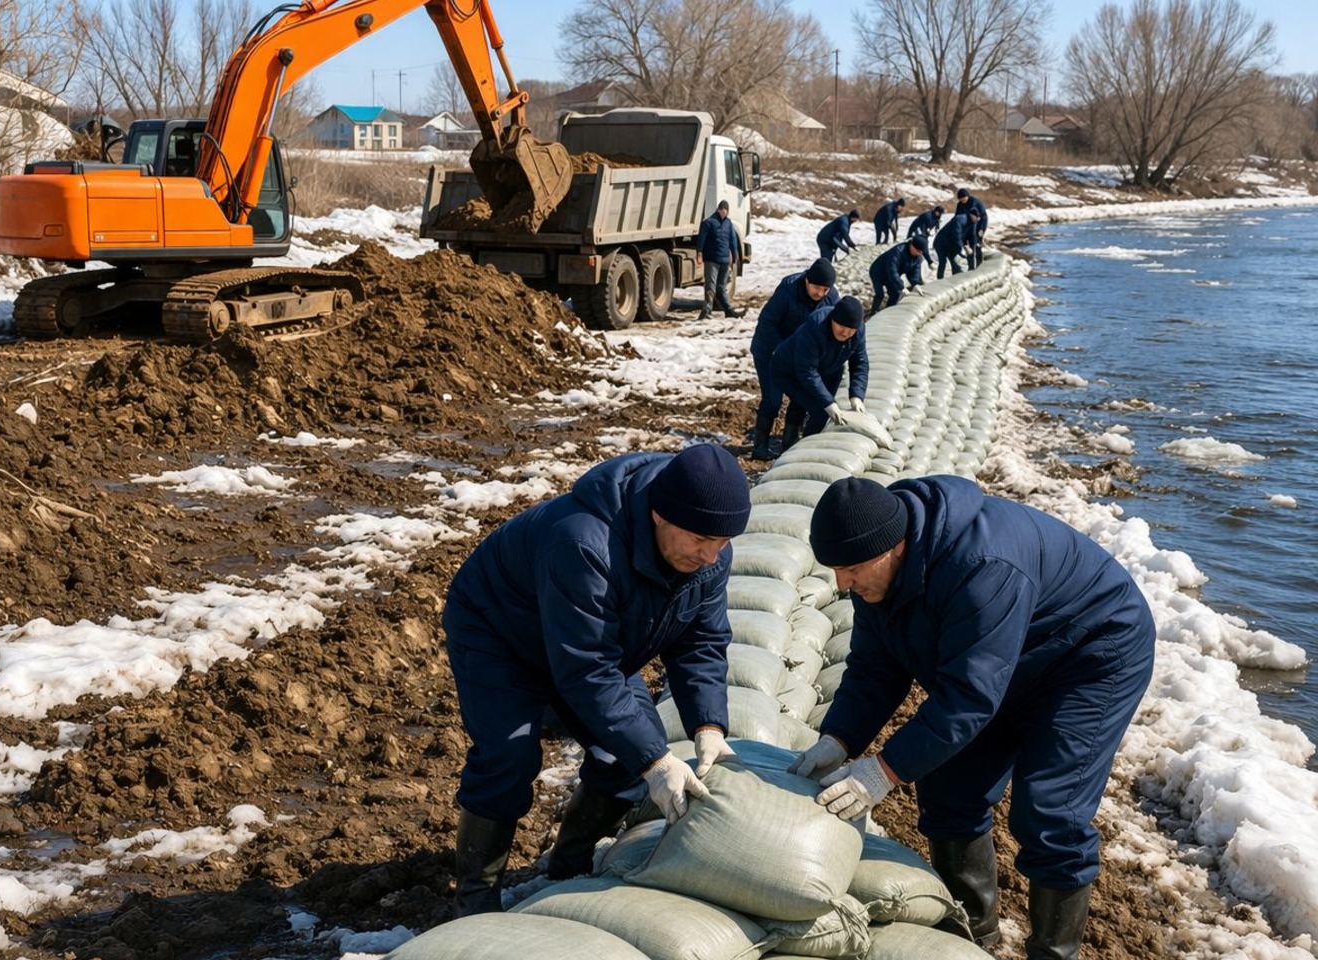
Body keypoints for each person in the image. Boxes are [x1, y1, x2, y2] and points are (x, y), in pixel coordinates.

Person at [790, 475, 1156, 960]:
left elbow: (967, 700)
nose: (842, 584)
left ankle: (1053, 953)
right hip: (1001, 660)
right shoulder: (878, 569)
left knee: (1050, 811)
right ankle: (973, 938)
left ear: (895, 547)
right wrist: (838, 739)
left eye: (853, 568)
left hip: (1089, 657)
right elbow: (875, 667)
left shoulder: (981, 565)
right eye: (835, 569)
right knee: (948, 790)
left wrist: (881, 773)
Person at [443, 444, 751, 917]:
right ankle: (475, 900)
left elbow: (700, 642)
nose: (711, 556)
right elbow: (586, 671)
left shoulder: (708, 555)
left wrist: (708, 725)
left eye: (723, 542)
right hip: (500, 633)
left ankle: (568, 868)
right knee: (508, 755)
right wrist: (657, 762)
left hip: (596, 646)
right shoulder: (584, 543)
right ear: (660, 515)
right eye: (700, 539)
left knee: (623, 758)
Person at [748, 258, 840, 460]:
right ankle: (760, 446)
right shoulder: (789, 289)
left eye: (825, 289)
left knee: (801, 397)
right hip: (770, 350)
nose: (820, 294)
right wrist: (782, 351)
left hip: (801, 354)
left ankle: (788, 444)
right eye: (816, 288)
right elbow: (767, 322)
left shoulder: (831, 297)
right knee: (773, 399)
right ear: (807, 280)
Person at [767, 295, 869, 445]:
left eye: (851, 330)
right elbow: (807, 371)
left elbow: (860, 363)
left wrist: (856, 395)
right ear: (833, 319)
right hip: (789, 371)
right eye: (842, 327)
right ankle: (800, 447)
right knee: (819, 409)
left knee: (815, 406)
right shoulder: (815, 327)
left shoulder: (858, 331)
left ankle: (801, 441)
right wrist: (828, 403)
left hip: (828, 369)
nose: (846, 333)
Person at [696, 200, 745, 319]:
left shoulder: (728, 223)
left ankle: (729, 311)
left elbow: (732, 240)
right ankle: (707, 312)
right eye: (722, 210)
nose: (724, 212)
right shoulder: (709, 223)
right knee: (710, 286)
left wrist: (735, 256)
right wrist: (699, 253)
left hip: (724, 261)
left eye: (725, 211)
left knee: (721, 288)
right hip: (712, 260)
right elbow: (701, 239)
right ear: (718, 209)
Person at [868, 236, 927, 314]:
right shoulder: (898, 251)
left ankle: (887, 312)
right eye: (918, 251)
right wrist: (901, 286)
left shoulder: (918, 257)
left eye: (921, 252)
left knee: (895, 294)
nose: (920, 253)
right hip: (878, 272)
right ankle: (873, 312)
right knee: (880, 294)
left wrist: (915, 284)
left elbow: (914, 272)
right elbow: (892, 270)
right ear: (912, 246)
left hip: (891, 275)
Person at [933, 208, 980, 280]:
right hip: (941, 243)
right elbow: (956, 236)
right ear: (972, 215)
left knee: (953, 259)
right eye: (977, 218)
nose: (977, 220)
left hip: (952, 244)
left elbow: (972, 236)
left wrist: (972, 249)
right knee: (943, 261)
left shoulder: (973, 222)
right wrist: (962, 249)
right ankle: (939, 280)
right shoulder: (960, 219)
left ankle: (956, 277)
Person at [955, 188, 989, 267]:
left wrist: (982, 230)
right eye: (961, 199)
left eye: (964, 198)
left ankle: (979, 265)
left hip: (977, 227)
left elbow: (984, 217)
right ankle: (971, 267)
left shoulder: (976, 203)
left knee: (977, 245)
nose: (962, 200)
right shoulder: (960, 205)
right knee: (968, 248)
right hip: (966, 229)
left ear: (967, 196)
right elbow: (957, 217)